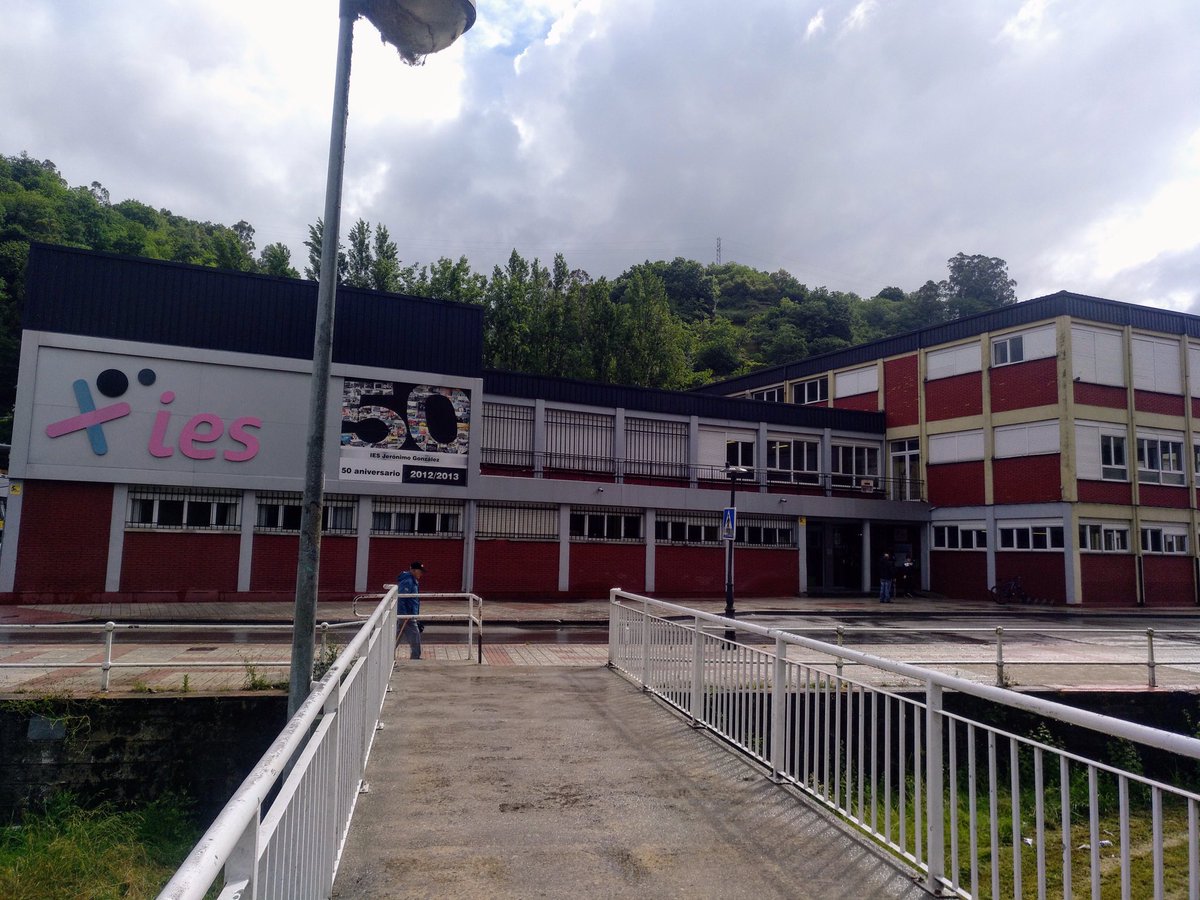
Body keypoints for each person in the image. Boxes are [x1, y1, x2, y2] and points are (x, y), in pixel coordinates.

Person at [396, 561, 424, 659]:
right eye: (419, 571)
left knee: (397, 635)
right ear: (413, 570)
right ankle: (415, 658)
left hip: (409, 615)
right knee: (415, 636)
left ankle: (385, 654)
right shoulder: (408, 581)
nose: (421, 573)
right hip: (407, 615)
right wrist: (404, 615)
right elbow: (402, 598)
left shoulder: (412, 580)